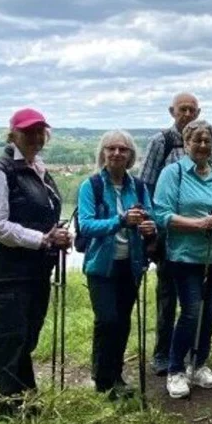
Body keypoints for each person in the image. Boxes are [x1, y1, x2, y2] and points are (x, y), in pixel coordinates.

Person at [141, 92, 212, 375]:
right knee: (172, 297)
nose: (188, 114)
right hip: (174, 238)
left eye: (193, 110)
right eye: (183, 109)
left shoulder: (208, 152)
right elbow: (146, 185)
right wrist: (151, 233)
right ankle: (165, 356)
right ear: (172, 111)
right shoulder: (163, 142)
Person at [0, 108, 70, 418]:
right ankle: (4, 412)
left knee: (25, 339)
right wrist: (42, 239)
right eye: (27, 131)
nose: (34, 137)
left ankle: (24, 402)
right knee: (8, 343)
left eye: (39, 131)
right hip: (6, 275)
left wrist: (56, 236)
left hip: (34, 272)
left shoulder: (38, 170)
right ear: (13, 134)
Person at [151, 120, 212, 400]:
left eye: (207, 141)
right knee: (191, 313)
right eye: (196, 141)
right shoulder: (173, 173)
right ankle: (175, 370)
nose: (202, 146)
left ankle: (199, 365)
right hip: (185, 255)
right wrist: (198, 224)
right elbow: (161, 215)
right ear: (186, 144)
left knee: (210, 311)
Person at [77, 130, 157, 399]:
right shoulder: (92, 186)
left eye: (122, 150)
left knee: (122, 322)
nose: (116, 154)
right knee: (107, 321)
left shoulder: (139, 187)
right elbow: (86, 225)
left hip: (130, 264)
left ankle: (116, 376)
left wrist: (148, 226)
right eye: (110, 149)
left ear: (130, 156)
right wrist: (120, 221)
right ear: (103, 154)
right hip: (101, 265)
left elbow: (151, 216)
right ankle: (102, 379)